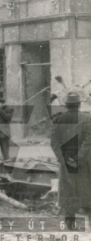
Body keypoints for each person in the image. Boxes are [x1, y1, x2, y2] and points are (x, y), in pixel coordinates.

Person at [50, 91, 91, 229]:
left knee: (67, 190)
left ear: (66, 105)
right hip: (83, 162)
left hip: (65, 163)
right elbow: (88, 141)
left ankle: (70, 223)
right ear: (79, 104)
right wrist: (79, 157)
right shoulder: (87, 118)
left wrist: (65, 159)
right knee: (86, 189)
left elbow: (54, 143)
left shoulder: (57, 119)